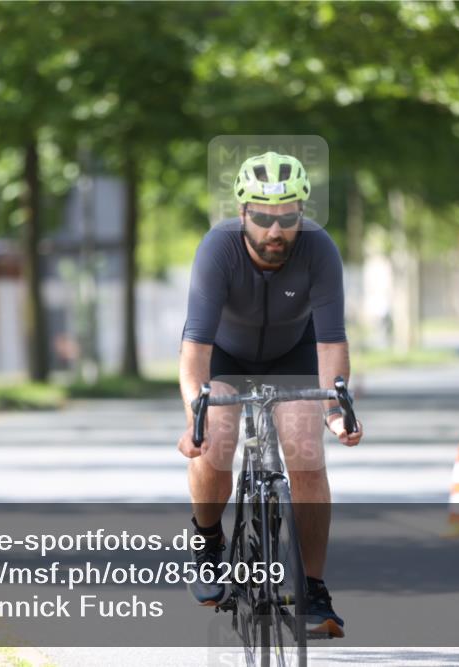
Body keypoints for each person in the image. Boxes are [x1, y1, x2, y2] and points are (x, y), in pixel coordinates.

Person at [176, 151, 363, 638]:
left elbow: (331, 343)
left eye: (287, 218)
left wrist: (334, 412)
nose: (274, 230)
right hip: (226, 355)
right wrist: (194, 417)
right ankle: (208, 543)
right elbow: (194, 348)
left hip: (292, 354)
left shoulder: (319, 250)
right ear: (243, 214)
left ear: (301, 212)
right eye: (262, 218)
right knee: (216, 436)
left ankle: (314, 588)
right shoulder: (218, 249)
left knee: (305, 450)